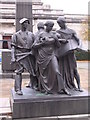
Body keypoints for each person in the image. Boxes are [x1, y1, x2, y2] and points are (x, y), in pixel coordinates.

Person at [32, 21, 70, 95]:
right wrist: (42, 43)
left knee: (56, 71)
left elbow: (58, 46)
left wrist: (56, 39)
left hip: (51, 55)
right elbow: (34, 46)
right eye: (50, 26)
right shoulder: (41, 34)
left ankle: (63, 88)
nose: (51, 28)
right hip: (42, 56)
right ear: (46, 26)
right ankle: (47, 89)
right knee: (44, 74)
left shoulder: (53, 34)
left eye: (52, 26)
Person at [11, 18, 37, 95]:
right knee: (18, 72)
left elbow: (35, 45)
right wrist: (13, 57)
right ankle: (18, 89)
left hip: (29, 54)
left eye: (27, 23)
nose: (25, 24)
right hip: (19, 54)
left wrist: (33, 51)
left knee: (33, 71)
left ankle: (33, 85)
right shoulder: (16, 35)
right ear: (21, 24)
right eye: (24, 23)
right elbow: (13, 47)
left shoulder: (31, 34)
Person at [56, 17, 82, 91]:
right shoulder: (58, 32)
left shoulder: (71, 31)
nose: (59, 25)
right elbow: (55, 39)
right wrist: (61, 40)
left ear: (64, 22)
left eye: (60, 23)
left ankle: (79, 86)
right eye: (58, 23)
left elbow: (78, 39)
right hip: (62, 54)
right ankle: (62, 86)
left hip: (70, 54)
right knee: (62, 70)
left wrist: (79, 46)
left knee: (74, 70)